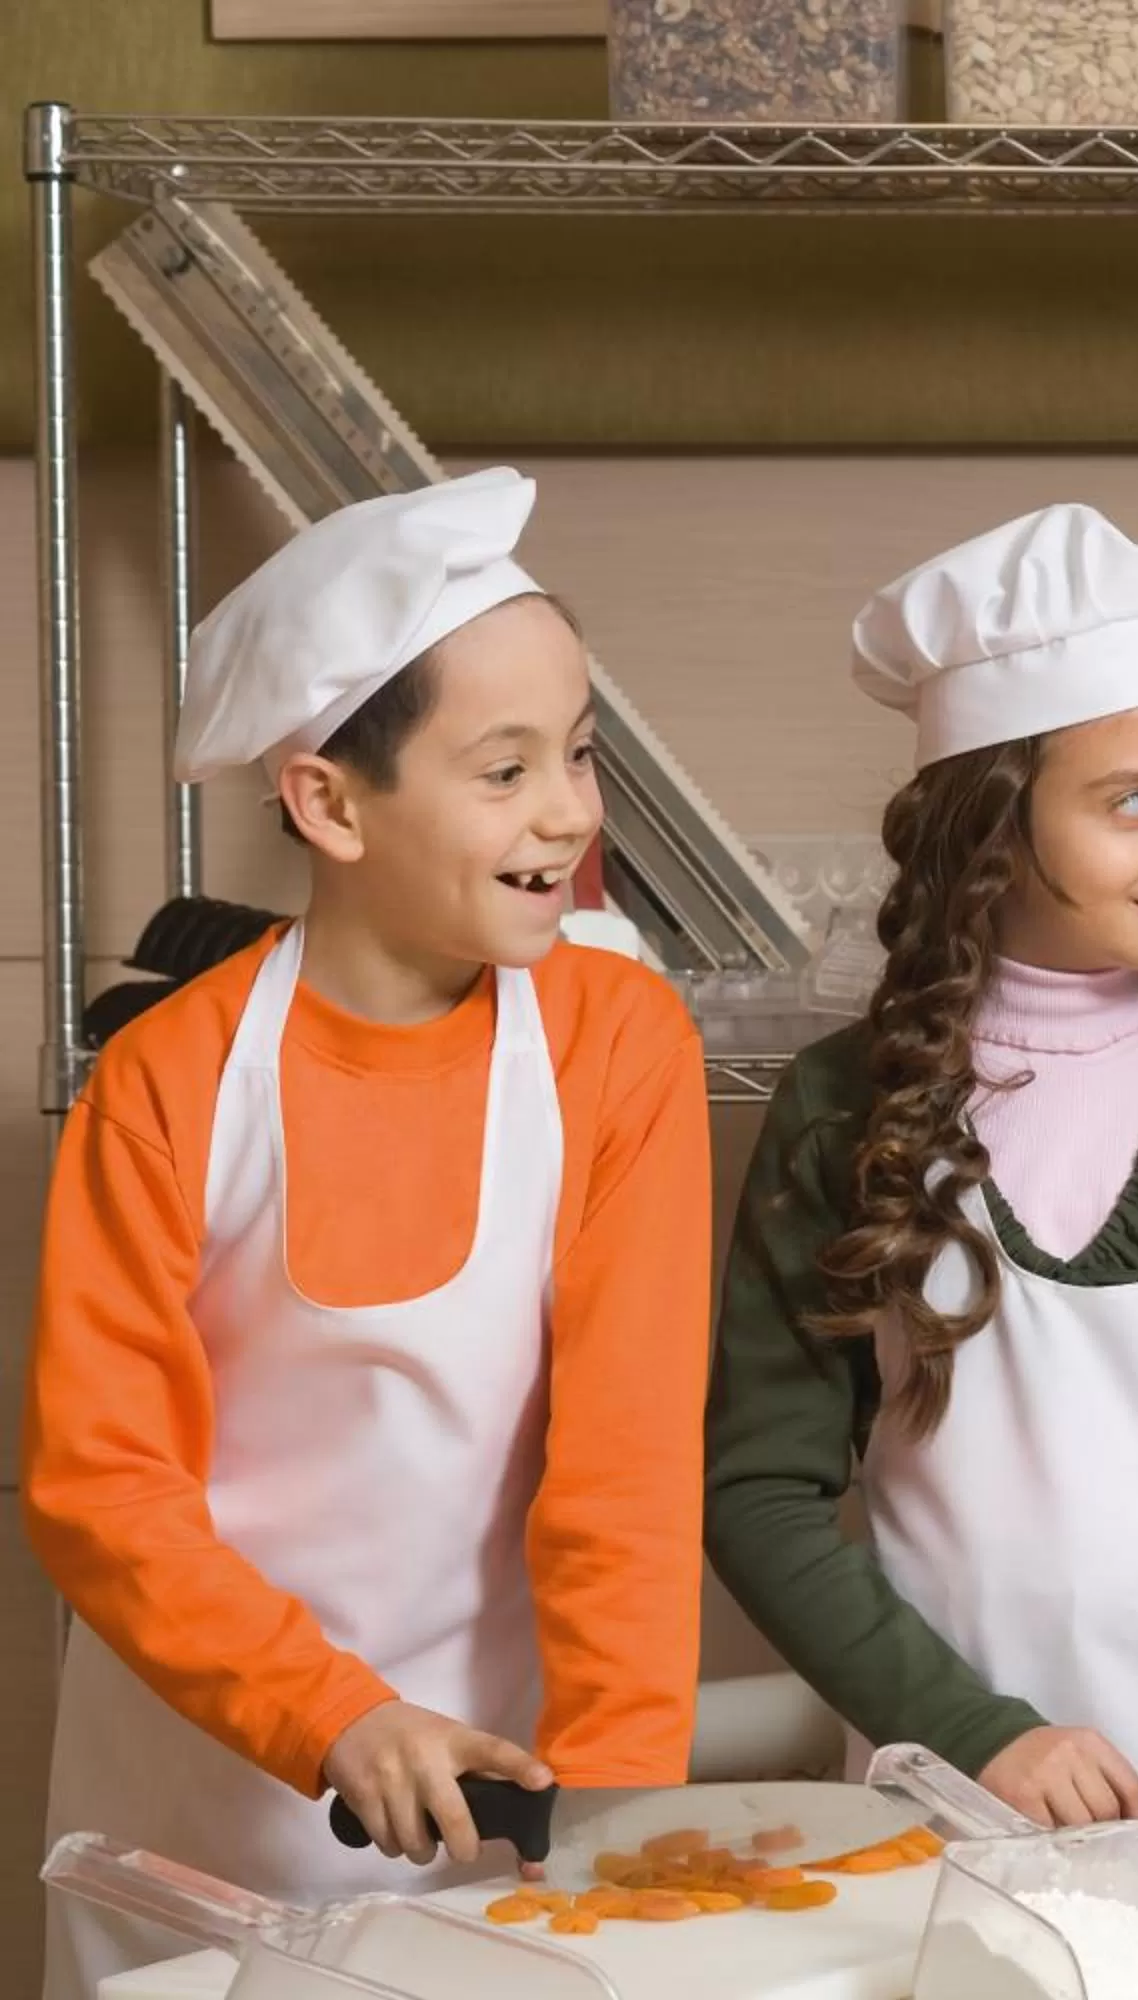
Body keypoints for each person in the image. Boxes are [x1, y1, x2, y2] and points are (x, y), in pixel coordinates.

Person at [27, 470, 712, 2000]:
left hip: (499, 1808)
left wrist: (610, 1808)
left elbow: (629, 1462)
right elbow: (104, 1489)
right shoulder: (167, 1082)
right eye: (504, 770)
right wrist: (328, 1713)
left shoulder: (617, 1043)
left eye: (581, 755)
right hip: (194, 1818)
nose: (569, 815)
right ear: (330, 801)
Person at [704, 504, 1138, 1851]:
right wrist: (979, 1739)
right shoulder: (842, 1110)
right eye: (1135, 801)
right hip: (946, 1816)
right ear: (992, 823)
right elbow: (759, 1492)